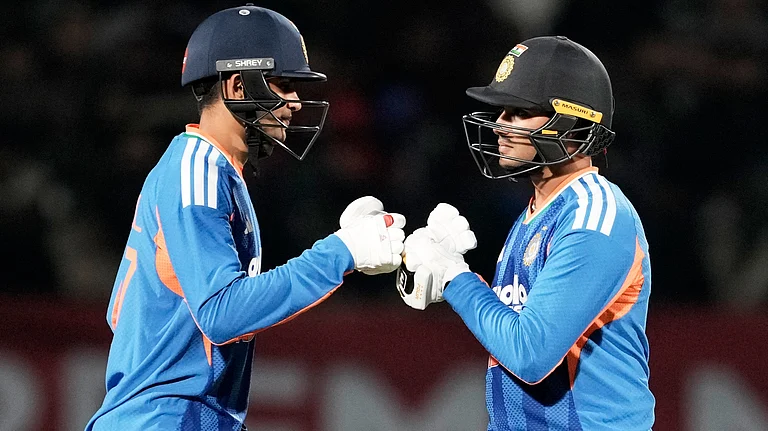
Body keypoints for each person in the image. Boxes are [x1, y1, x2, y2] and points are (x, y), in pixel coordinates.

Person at [85, 5, 405, 430]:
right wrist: (339, 252)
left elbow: (126, 316)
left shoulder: (211, 170)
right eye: (283, 84)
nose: (293, 103)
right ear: (237, 85)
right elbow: (222, 313)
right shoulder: (197, 171)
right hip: (167, 418)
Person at [397, 36, 655, 430]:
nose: (499, 124)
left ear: (570, 121)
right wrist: (453, 277)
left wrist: (456, 278)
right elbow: (519, 326)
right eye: (502, 110)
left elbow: (530, 352)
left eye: (519, 112)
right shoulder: (540, 210)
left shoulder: (596, 216)